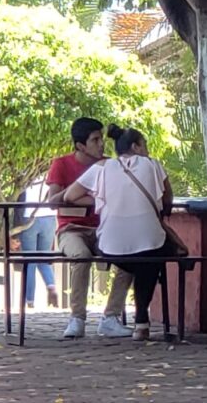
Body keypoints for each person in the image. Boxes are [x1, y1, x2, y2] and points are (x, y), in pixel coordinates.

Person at [65, 125, 174, 341]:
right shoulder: (153, 165)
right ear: (136, 146)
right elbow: (167, 197)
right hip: (150, 246)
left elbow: (70, 196)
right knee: (152, 254)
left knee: (141, 256)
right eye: (145, 145)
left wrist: (103, 199)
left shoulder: (102, 167)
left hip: (110, 247)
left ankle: (135, 322)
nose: (147, 150)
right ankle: (141, 321)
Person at [46, 117, 134, 339]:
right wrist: (78, 191)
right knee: (81, 256)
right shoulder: (61, 164)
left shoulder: (109, 164)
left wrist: (83, 196)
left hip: (104, 229)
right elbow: (52, 202)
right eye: (95, 140)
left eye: (101, 138)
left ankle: (111, 317)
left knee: (129, 257)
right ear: (80, 146)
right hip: (70, 230)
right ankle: (77, 318)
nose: (101, 144)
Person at [13, 179, 57, 308]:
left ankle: (30, 301)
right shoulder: (48, 173)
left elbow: (19, 200)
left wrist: (15, 230)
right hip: (49, 216)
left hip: (29, 217)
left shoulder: (26, 174)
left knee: (30, 261)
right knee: (44, 258)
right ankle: (51, 286)